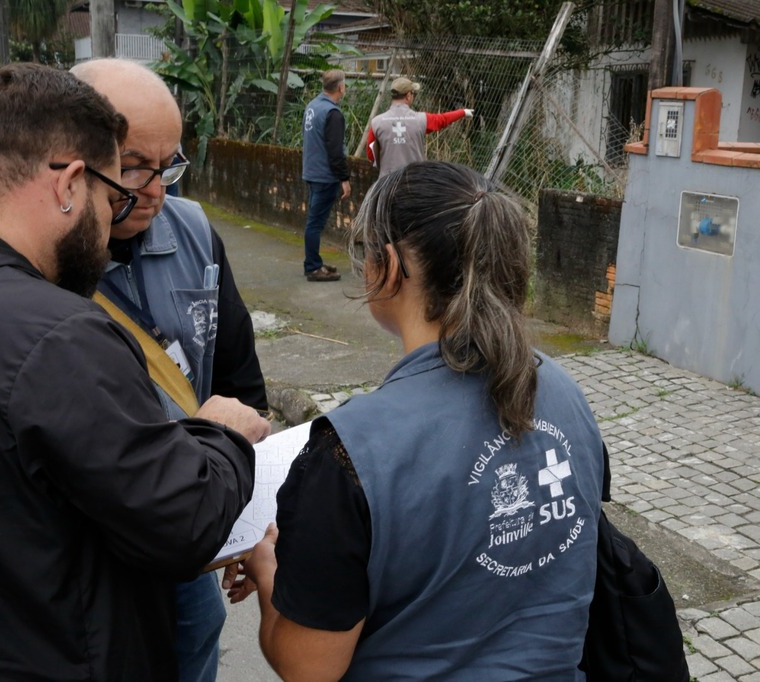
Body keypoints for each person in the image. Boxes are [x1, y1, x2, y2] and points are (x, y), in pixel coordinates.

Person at [0, 63, 270, 681]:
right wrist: (220, 434)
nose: (138, 202)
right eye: (115, 190)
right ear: (69, 183)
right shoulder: (56, 334)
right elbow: (182, 519)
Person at [231, 161, 606, 680]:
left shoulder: (351, 451)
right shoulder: (564, 390)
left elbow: (307, 666)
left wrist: (268, 571)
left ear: (385, 265)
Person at [72, 58, 268, 682]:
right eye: (132, 167)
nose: (156, 189)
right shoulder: (42, 258)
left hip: (189, 526)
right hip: (95, 546)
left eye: (170, 165)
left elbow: (240, 382)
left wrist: (245, 522)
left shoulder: (193, 231)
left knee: (193, 638)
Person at [365, 77, 473, 177]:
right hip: (415, 180)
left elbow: (370, 155)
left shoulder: (376, 123)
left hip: (387, 182)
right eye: (413, 94)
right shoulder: (421, 120)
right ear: (408, 96)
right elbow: (442, 120)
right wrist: (462, 112)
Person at [301, 69, 350, 282]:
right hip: (324, 175)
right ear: (340, 87)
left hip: (312, 171)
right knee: (315, 223)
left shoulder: (313, 107)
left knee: (314, 220)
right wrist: (344, 178)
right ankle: (312, 267)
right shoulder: (333, 113)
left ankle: (315, 262)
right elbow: (335, 150)